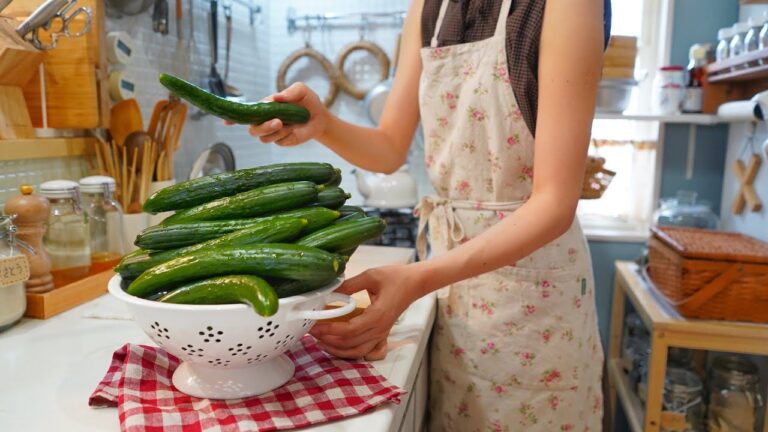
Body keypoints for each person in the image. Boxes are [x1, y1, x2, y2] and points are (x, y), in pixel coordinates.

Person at [243, 0, 610, 429]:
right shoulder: (429, 8)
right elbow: (388, 147)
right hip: (451, 285)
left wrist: (417, 279)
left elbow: (554, 204)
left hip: (533, 300)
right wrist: (321, 123)